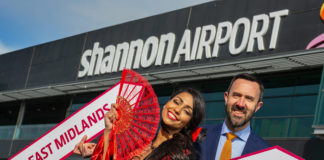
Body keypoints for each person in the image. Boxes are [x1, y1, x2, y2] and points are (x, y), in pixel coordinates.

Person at [74, 87, 206, 160]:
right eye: (176, 102)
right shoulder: (140, 144)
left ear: (188, 124)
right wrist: (108, 132)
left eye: (186, 111)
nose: (177, 109)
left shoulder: (178, 156)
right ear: (166, 104)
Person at [198, 73, 270, 160]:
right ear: (226, 98)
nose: (240, 104)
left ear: (257, 106)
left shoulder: (265, 153)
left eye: (249, 99)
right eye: (236, 95)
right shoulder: (197, 134)